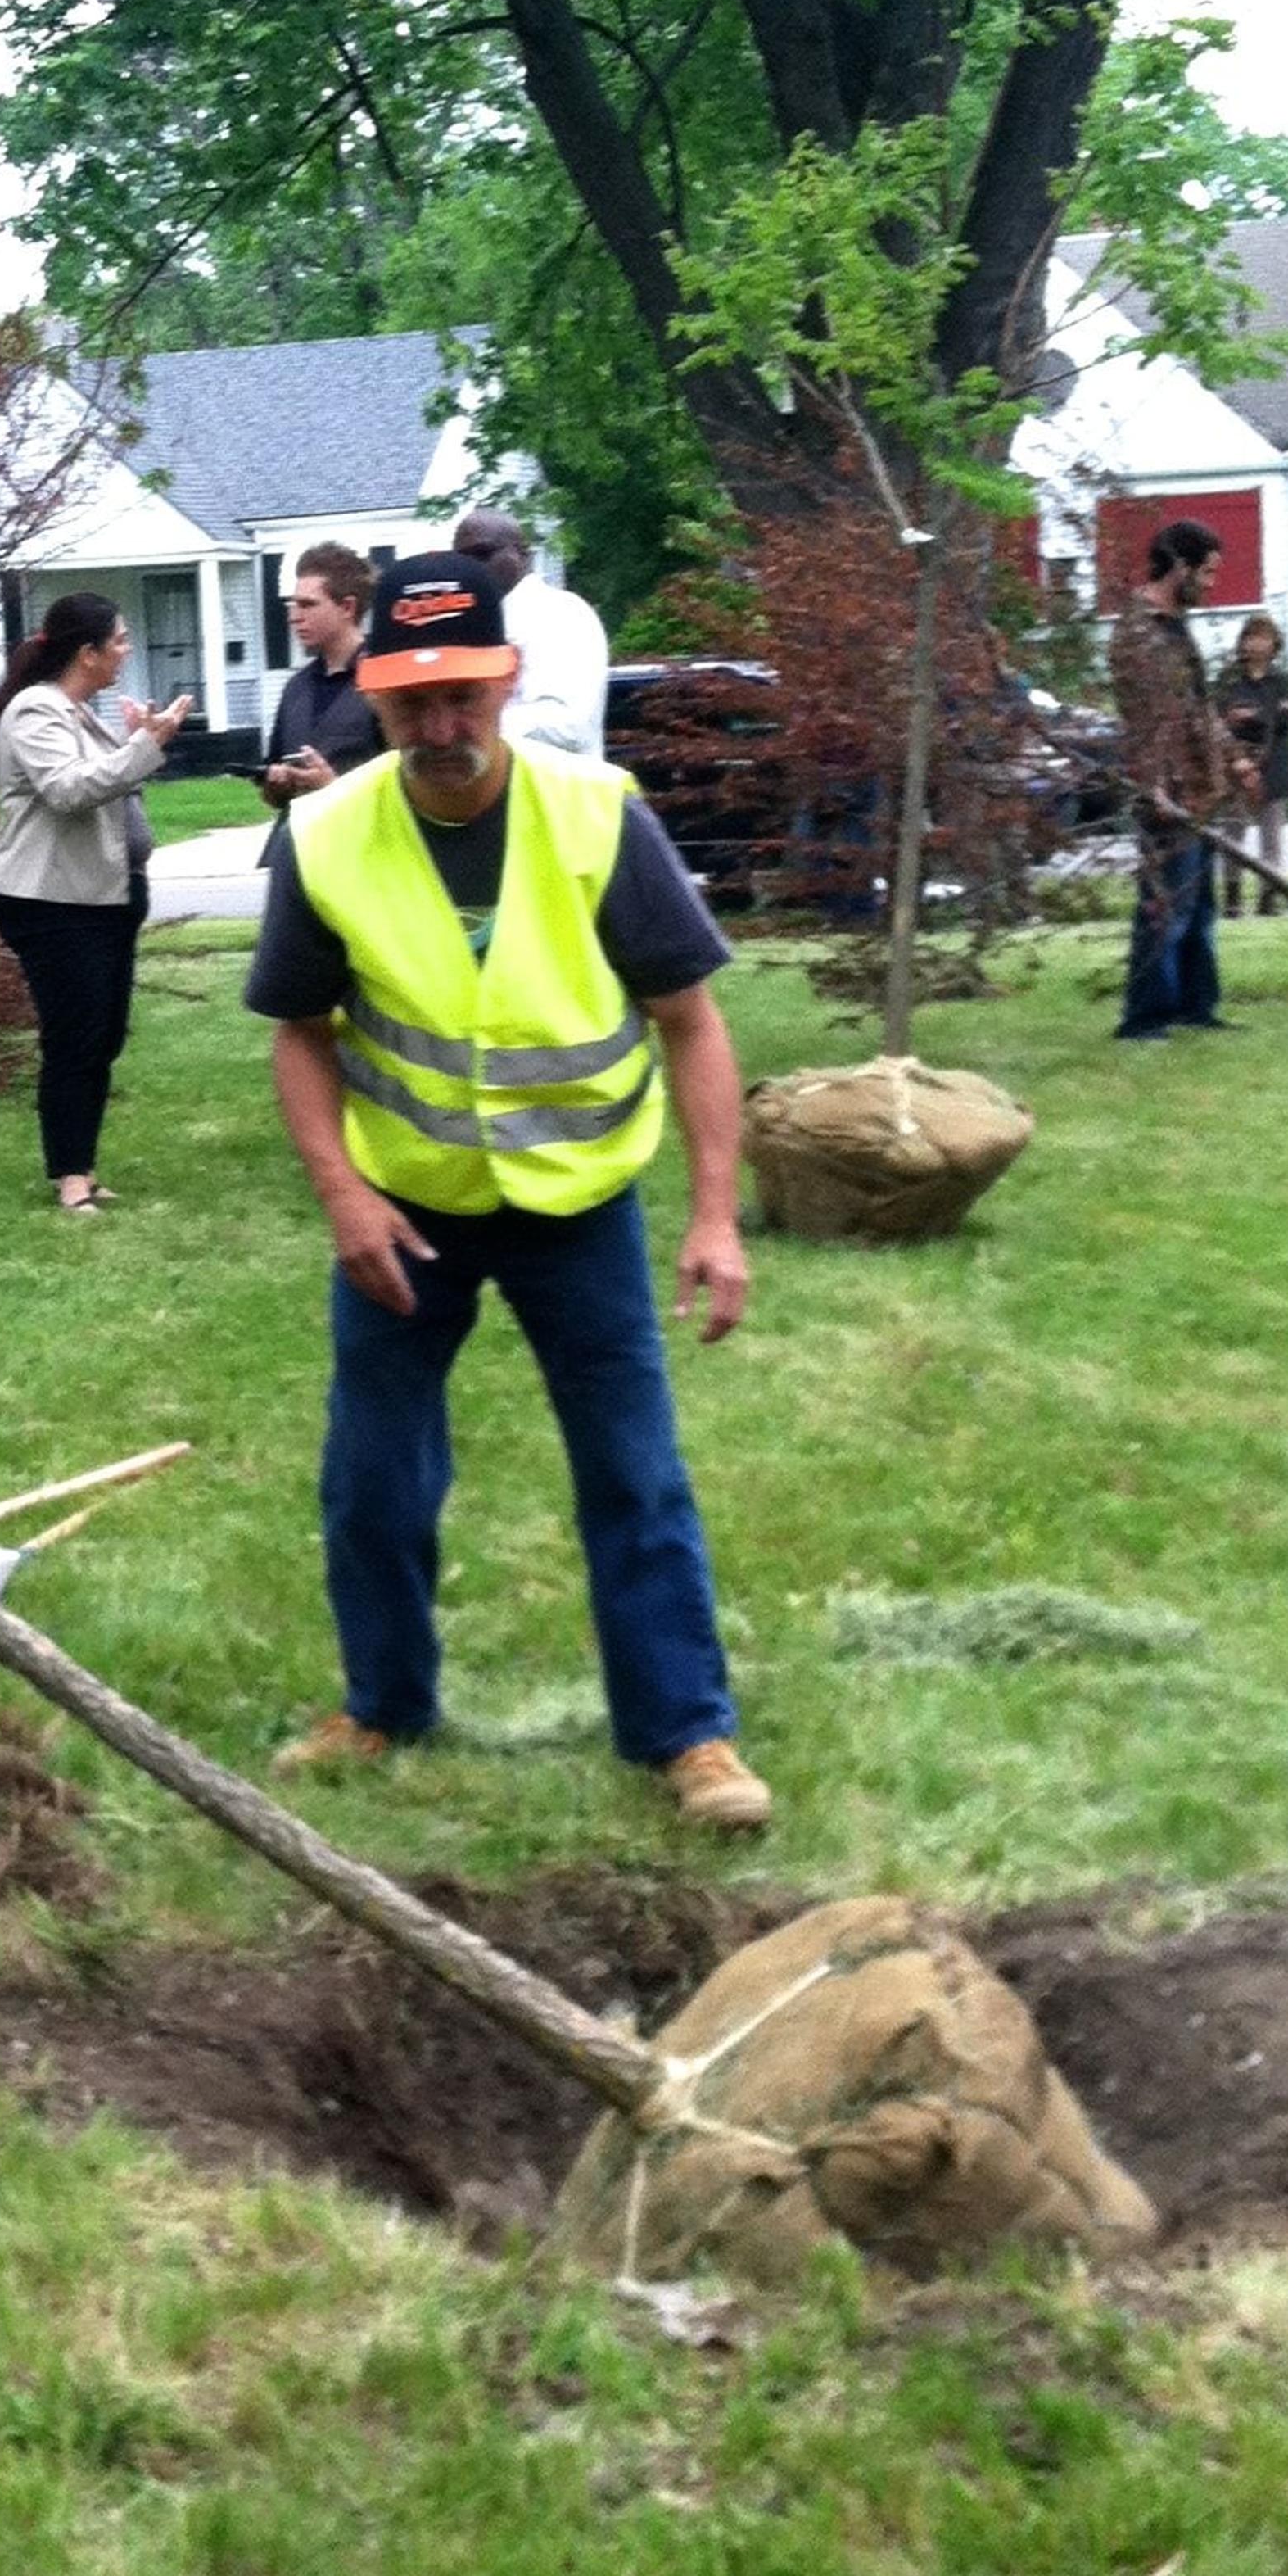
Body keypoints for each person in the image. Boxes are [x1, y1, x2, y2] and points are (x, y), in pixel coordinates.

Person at [246, 550, 771, 1834]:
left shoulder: (599, 815)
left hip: (577, 1204)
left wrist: (712, 1214)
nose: (440, 728)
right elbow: (301, 1031)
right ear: (372, 693)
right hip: (406, 1211)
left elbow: (691, 1024)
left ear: (508, 678)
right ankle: (383, 1704)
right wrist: (343, 1200)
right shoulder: (327, 832)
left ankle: (687, 1735)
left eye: (464, 697)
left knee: (631, 1470)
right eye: (413, 701)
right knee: (372, 1475)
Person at [0, 591, 192, 1214]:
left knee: (102, 1037)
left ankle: (84, 1166)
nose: (127, 651)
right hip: (50, 901)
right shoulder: (36, 712)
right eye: (120, 641)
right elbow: (69, 791)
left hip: (102, 898)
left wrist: (133, 742)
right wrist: (147, 746)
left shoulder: (78, 712)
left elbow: (107, 784)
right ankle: (71, 1181)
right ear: (88, 652)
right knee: (75, 1037)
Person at [1108, 518, 1252, 1041]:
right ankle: (1144, 1018)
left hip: (1201, 787)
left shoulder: (1174, 625)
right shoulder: (1138, 633)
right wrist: (1157, 790)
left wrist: (1235, 758)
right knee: (1163, 908)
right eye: (1207, 573)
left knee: (1199, 906)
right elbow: (1146, 724)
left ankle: (1195, 1006)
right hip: (1167, 797)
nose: (1211, 585)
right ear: (1179, 566)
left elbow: (1198, 708)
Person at [257, 541, 384, 863]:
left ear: (347, 608)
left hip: (362, 854)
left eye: (307, 605)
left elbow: (408, 786)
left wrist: (332, 788)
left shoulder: (384, 683)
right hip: (297, 853)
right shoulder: (295, 689)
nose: (294, 617)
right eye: (292, 605)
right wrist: (277, 784)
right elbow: (272, 793)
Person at [450, 504, 608, 758]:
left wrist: (467, 724)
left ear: (524, 556)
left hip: (559, 793)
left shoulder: (560, 613)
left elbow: (570, 727)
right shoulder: (470, 624)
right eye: (461, 559)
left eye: (483, 554)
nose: (471, 567)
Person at [1211, 612, 1288, 917]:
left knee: (1271, 838)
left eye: (1265, 637)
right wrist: (1250, 726)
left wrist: (1255, 716)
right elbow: (1221, 720)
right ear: (1243, 642)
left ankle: (1268, 899)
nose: (1258, 644)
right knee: (1233, 833)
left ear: (1275, 643)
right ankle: (1233, 900)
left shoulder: (1283, 681)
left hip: (1276, 765)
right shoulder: (1229, 680)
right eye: (1252, 637)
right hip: (1237, 766)